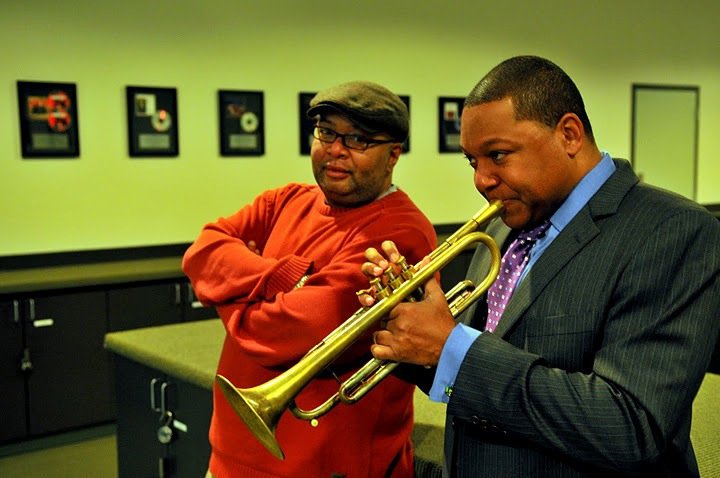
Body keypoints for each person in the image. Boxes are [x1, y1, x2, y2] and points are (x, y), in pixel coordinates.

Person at [360, 56, 720, 477]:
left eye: (498, 154)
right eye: (473, 161)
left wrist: (452, 348)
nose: (481, 179)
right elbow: (475, 380)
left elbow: (631, 426)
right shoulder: (501, 227)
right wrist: (409, 334)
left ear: (569, 134)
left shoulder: (674, 230)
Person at [182, 80, 437, 478]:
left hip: (324, 465)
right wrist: (277, 277)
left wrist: (229, 294)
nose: (336, 149)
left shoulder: (401, 234)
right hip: (231, 453)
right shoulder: (286, 199)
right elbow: (203, 251)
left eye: (359, 139)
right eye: (327, 132)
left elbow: (288, 334)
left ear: (394, 155)